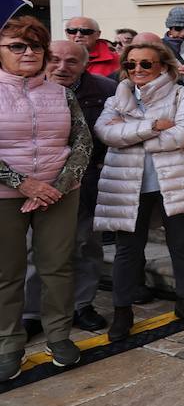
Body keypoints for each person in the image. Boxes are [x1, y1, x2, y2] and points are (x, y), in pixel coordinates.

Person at [94, 40, 184, 340]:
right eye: (130, 64)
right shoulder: (117, 98)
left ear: (163, 66)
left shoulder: (181, 93)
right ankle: (123, 312)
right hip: (127, 185)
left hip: (175, 183)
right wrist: (153, 127)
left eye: (146, 63)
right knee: (127, 251)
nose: (137, 69)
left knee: (182, 247)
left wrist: (132, 136)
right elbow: (105, 132)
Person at [0, 17, 91, 379]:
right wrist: (25, 184)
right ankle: (9, 344)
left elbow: (83, 140)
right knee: (7, 272)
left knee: (57, 266)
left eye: (36, 46)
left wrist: (61, 183)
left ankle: (59, 336)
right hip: (6, 194)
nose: (29, 53)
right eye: (17, 46)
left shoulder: (61, 92)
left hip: (59, 192)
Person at [23, 42, 116, 336]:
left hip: (84, 184)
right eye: (55, 60)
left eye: (72, 61)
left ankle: (81, 305)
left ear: (85, 64)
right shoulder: (23, 88)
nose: (62, 67)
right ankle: (31, 312)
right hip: (33, 185)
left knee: (85, 247)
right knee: (34, 251)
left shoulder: (104, 90)